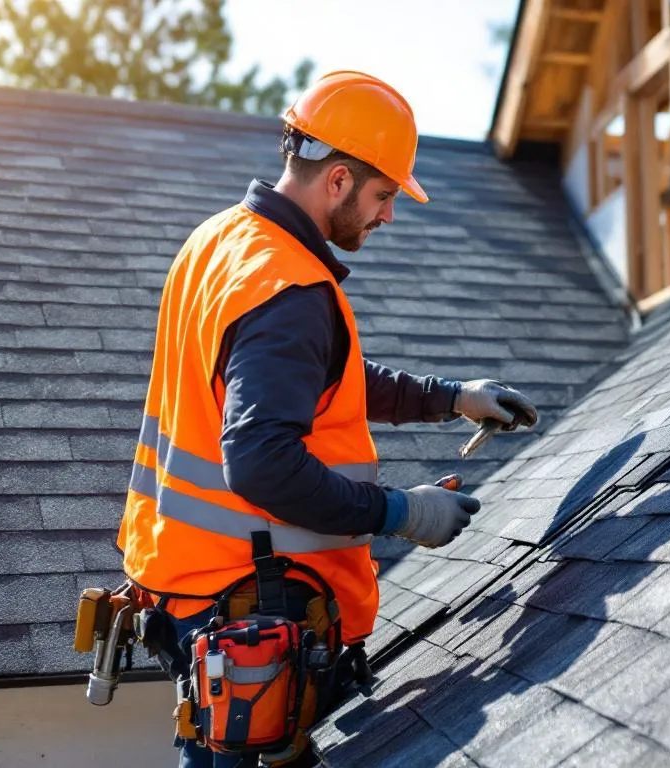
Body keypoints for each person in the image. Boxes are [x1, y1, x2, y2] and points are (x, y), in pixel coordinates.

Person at [115, 70, 539, 767]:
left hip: (192, 591)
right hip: (249, 607)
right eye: (383, 196)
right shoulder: (288, 289)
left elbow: (318, 377)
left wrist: (451, 396)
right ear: (338, 180)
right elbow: (261, 463)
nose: (388, 216)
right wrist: (404, 512)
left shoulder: (222, 242)